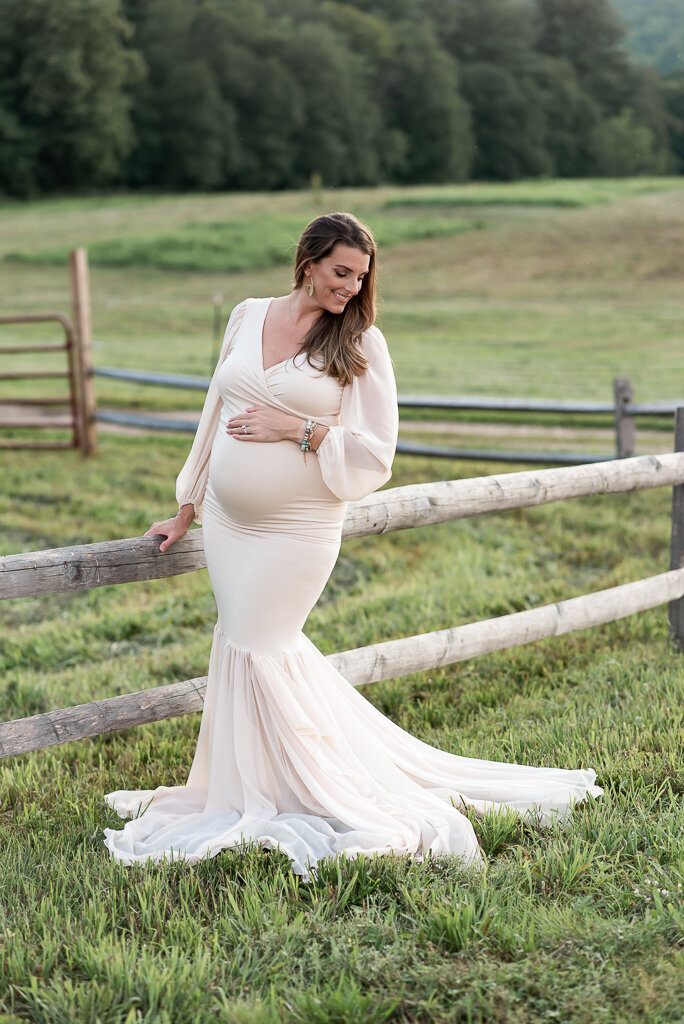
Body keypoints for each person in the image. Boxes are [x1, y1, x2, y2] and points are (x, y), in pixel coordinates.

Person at [103, 212, 602, 879]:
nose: (349, 287)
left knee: (258, 643)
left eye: (359, 277)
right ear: (307, 261)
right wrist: (187, 506)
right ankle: (254, 786)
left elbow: (375, 454)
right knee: (243, 643)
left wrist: (295, 428)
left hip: (298, 529)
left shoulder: (361, 343)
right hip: (228, 523)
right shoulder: (247, 315)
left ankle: (311, 792)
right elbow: (214, 413)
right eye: (341, 272)